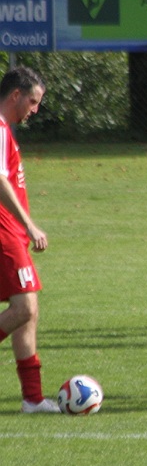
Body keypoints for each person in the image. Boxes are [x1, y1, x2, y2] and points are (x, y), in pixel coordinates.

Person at [0, 67, 59, 413]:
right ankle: (33, 398)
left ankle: (33, 399)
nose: (34, 110)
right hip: (5, 231)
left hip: (12, 233)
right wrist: (29, 225)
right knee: (24, 308)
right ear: (15, 95)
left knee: (28, 312)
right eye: (33, 102)